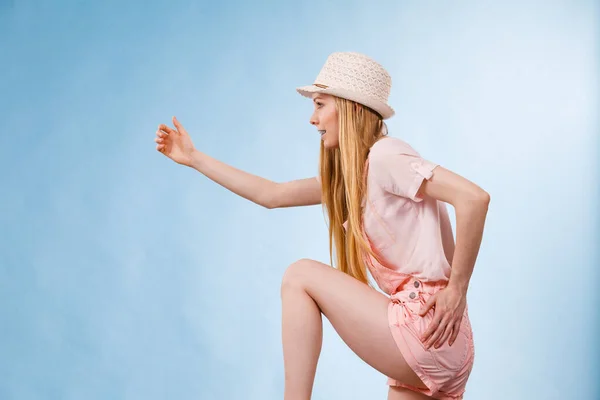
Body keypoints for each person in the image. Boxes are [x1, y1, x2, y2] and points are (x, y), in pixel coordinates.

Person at [154, 51, 490, 400]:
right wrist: (194, 158)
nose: (313, 119)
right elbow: (272, 194)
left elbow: (473, 198)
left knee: (300, 275)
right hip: (448, 341)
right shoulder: (355, 176)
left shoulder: (386, 156)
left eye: (319, 105)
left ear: (354, 108)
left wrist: (456, 291)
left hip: (425, 326)